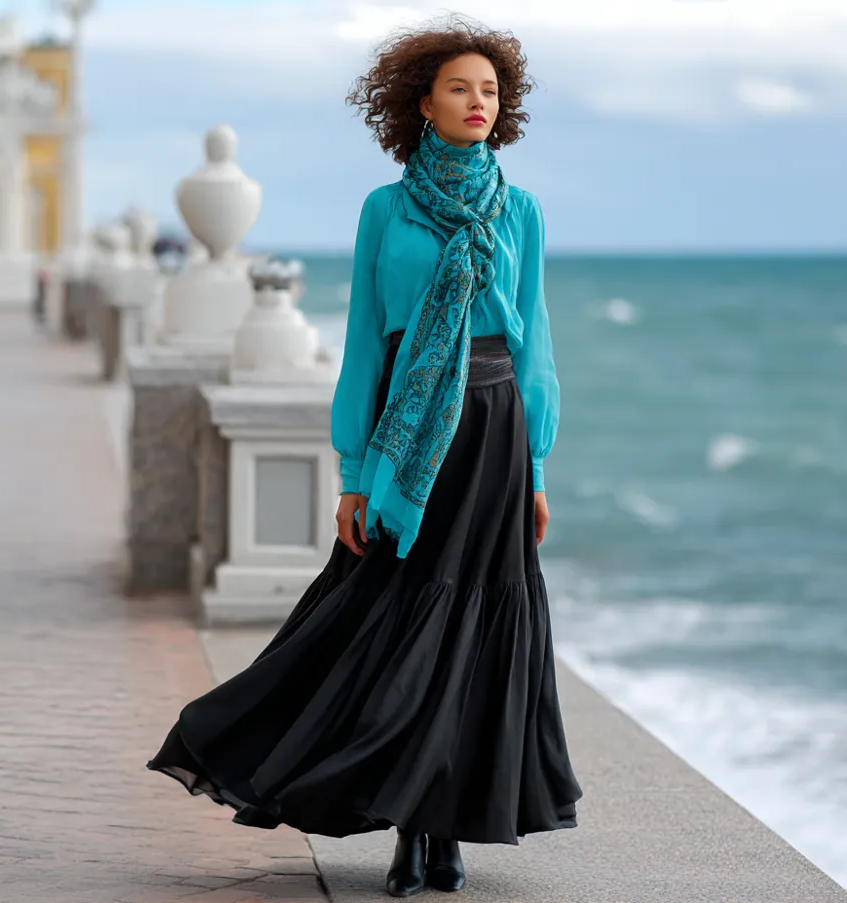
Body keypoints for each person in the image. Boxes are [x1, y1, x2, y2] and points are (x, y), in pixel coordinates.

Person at [147, 17, 582, 897]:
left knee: (471, 633)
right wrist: (352, 474)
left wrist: (535, 467)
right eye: (460, 89)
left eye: (490, 92)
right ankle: (402, 827)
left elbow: (533, 343)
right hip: (411, 439)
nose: (477, 103)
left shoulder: (521, 210)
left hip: (493, 430)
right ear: (422, 103)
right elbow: (364, 353)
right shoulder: (387, 210)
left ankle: (444, 825)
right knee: (392, 620)